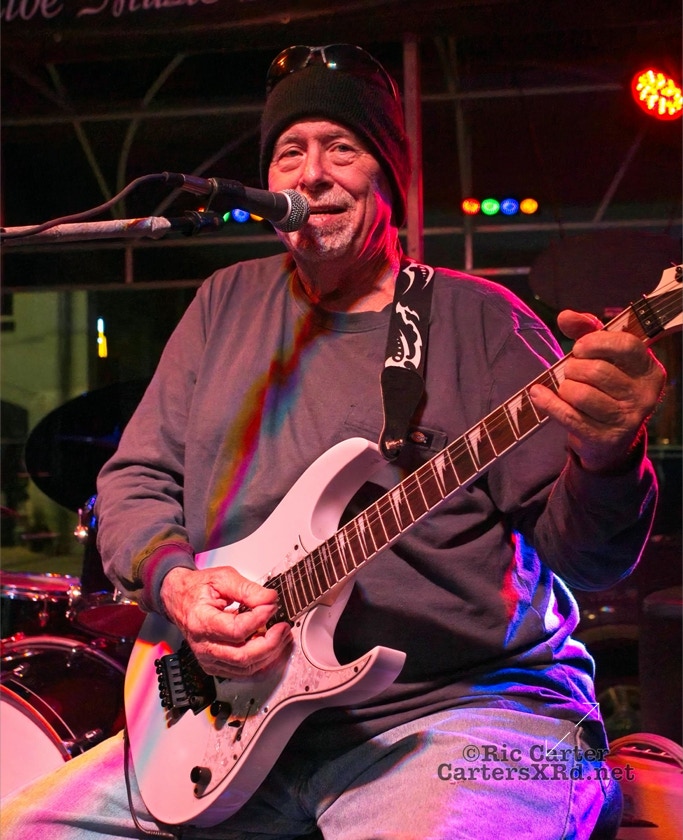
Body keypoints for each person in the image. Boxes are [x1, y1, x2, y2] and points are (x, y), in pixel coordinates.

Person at [1, 44, 666, 840]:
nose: (311, 174)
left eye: (341, 148)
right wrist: (177, 586)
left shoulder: (481, 321)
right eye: (289, 152)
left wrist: (608, 453)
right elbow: (135, 479)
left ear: (390, 179)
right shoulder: (222, 304)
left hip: (464, 709)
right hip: (231, 722)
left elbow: (589, 561)